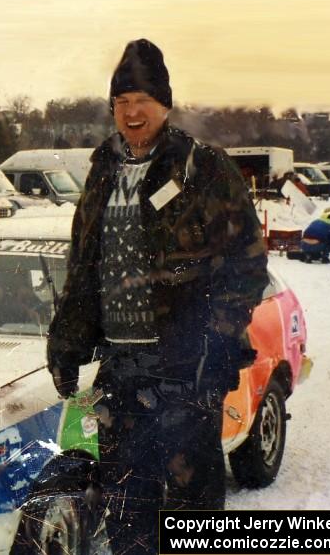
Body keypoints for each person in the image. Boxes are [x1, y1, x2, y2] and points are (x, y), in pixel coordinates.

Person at [46, 40, 268, 554]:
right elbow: (84, 265)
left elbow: (247, 261)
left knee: (195, 519)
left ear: (165, 104)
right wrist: (67, 343)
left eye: (142, 99)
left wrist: (215, 342)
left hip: (183, 370)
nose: (132, 111)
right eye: (122, 101)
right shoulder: (102, 167)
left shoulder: (203, 167)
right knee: (126, 512)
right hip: (122, 370)